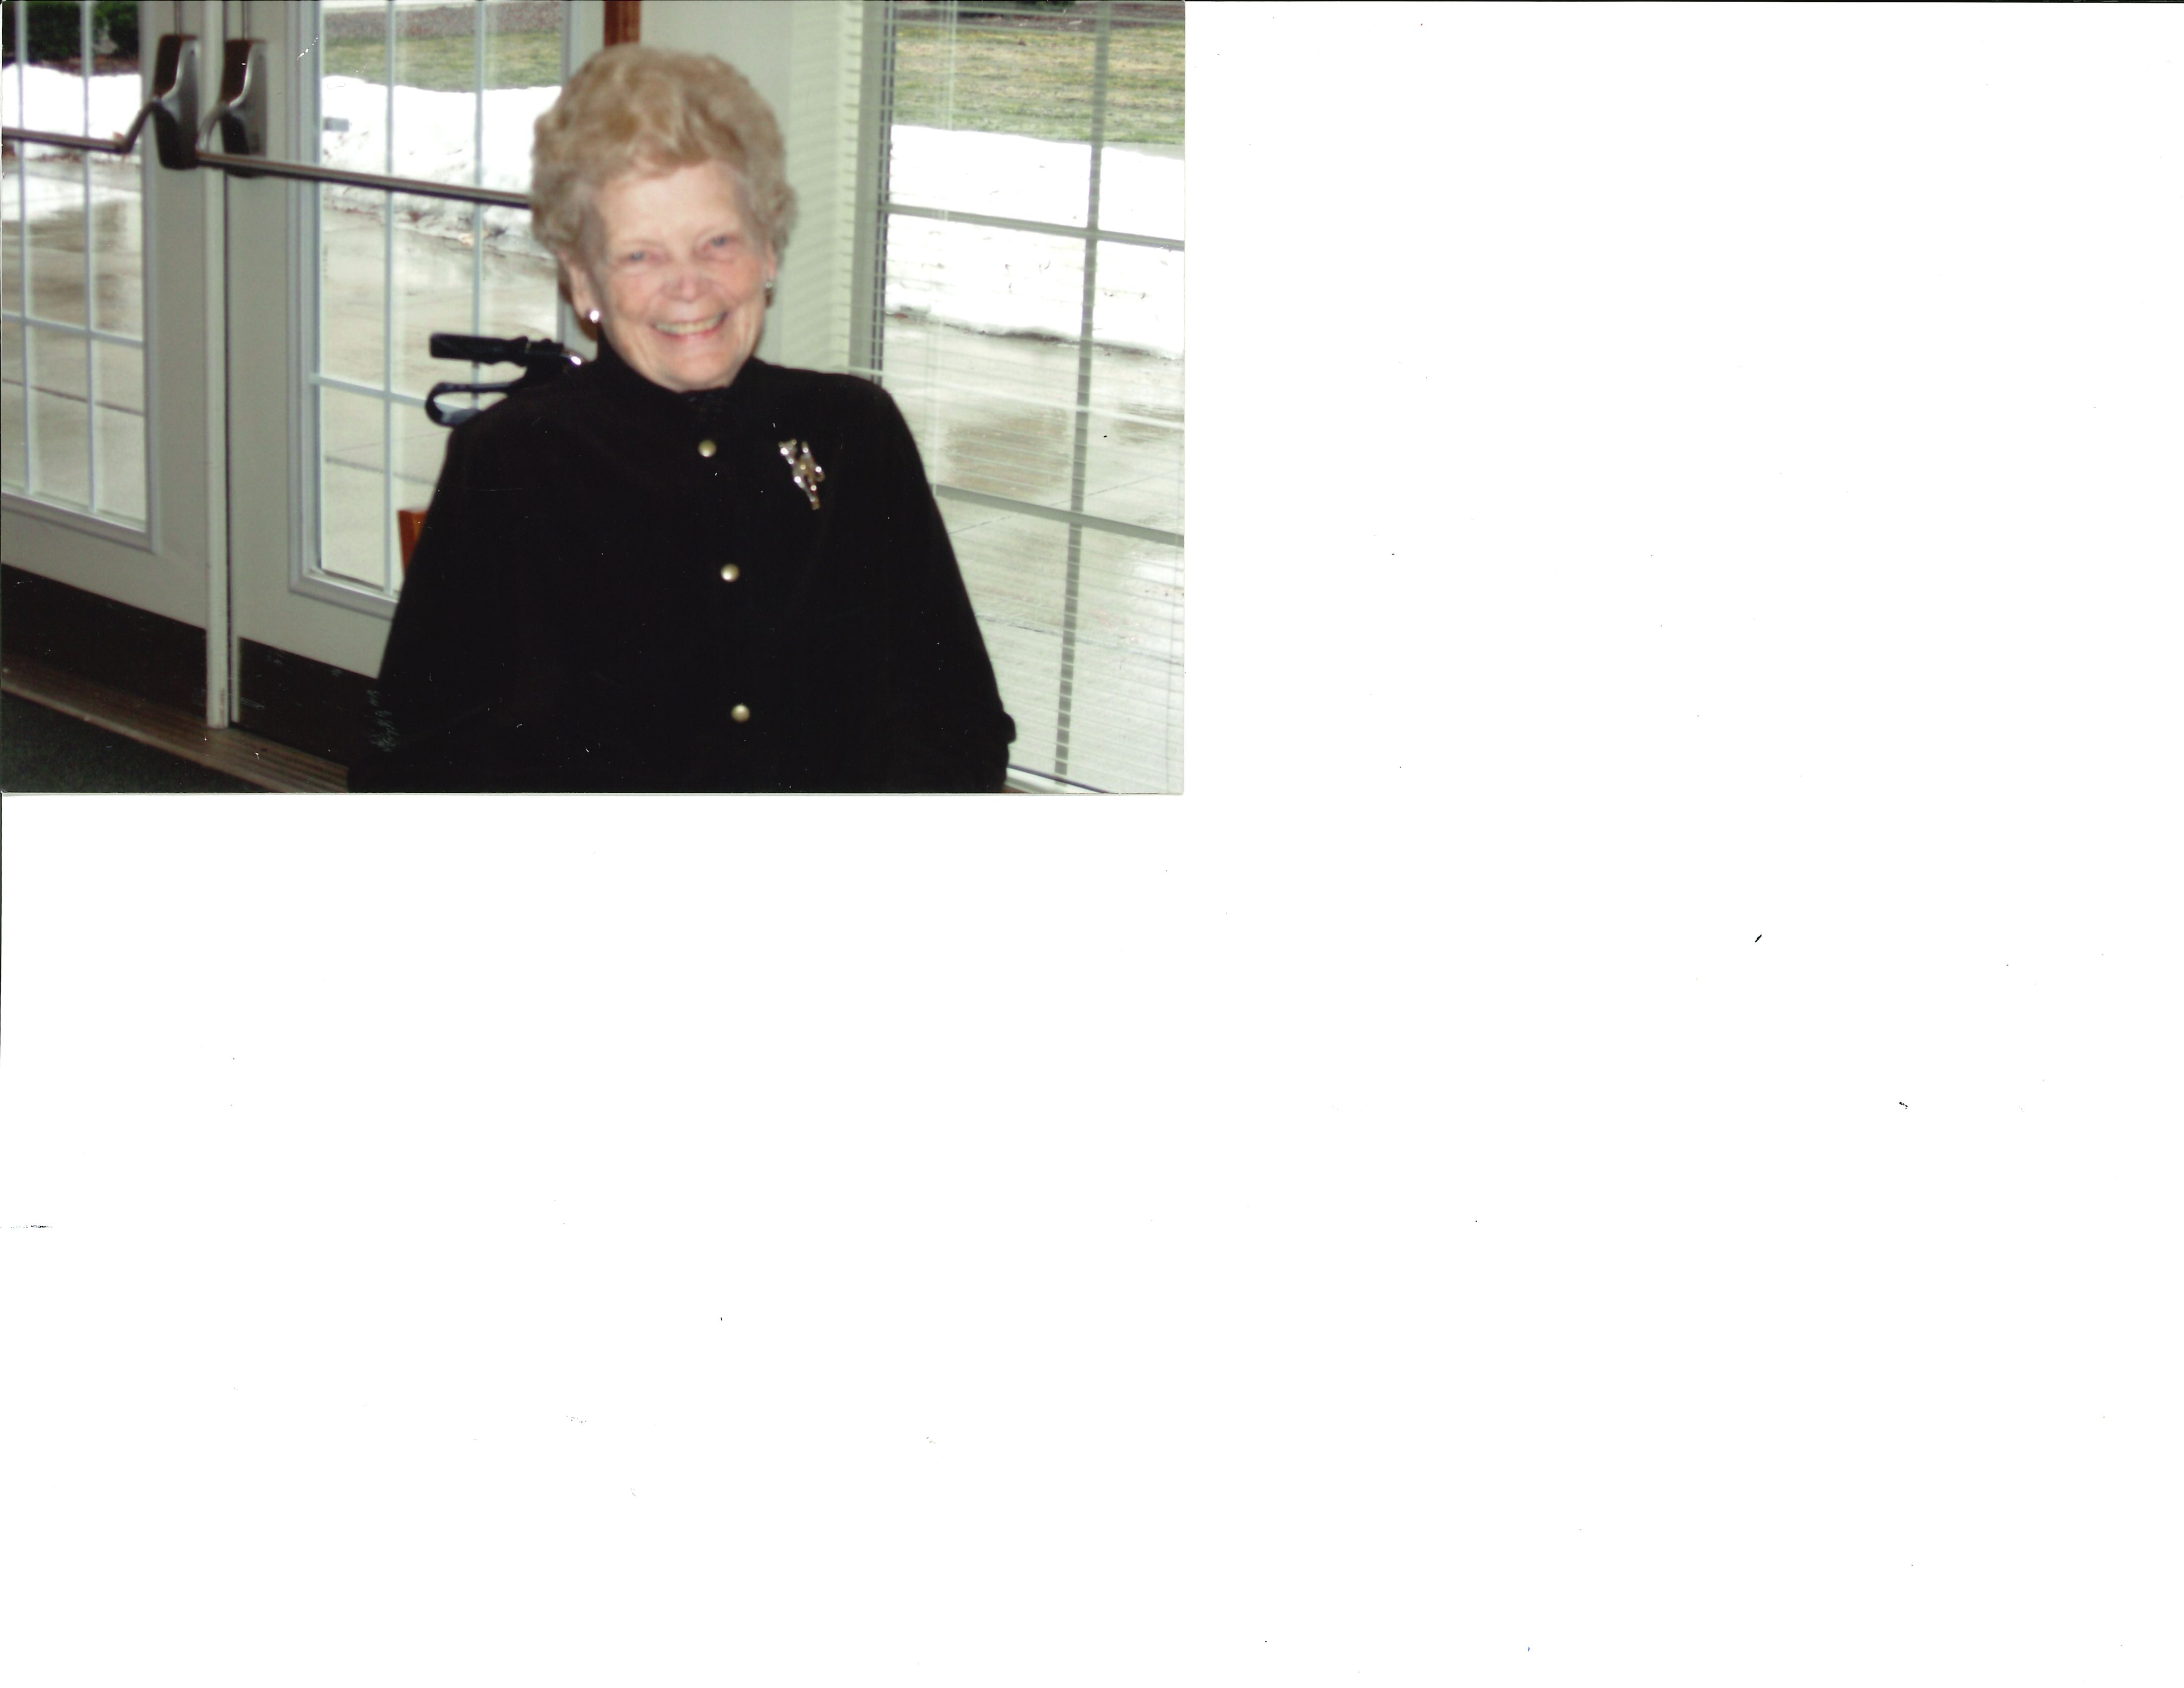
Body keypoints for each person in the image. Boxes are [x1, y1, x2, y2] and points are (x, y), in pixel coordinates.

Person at [351, 45, 1015, 791]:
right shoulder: (511, 456)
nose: (688, 286)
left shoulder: (855, 430)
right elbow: (413, 754)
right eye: (640, 256)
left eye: (718, 243)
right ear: (583, 282)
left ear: (769, 251)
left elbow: (958, 717)